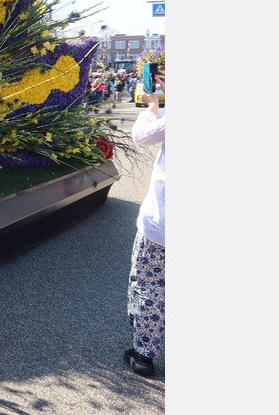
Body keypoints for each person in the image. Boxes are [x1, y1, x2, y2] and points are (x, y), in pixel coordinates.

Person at [124, 66, 165, 377]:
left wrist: (153, 104)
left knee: (150, 284)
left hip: (162, 222)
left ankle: (144, 354)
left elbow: (143, 136)